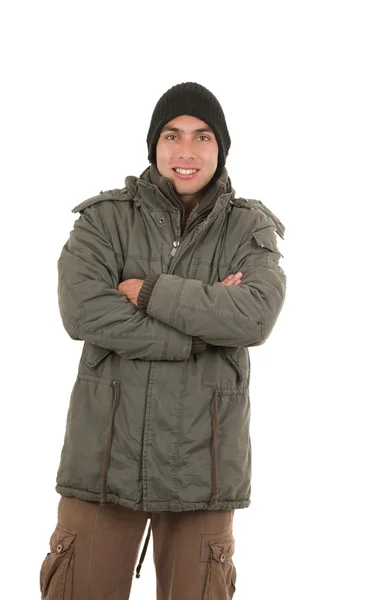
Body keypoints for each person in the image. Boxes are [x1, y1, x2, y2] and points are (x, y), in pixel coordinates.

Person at [39, 81, 287, 600]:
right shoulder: (105, 220)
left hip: (204, 464)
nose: (186, 152)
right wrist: (198, 333)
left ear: (221, 148)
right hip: (102, 459)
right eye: (172, 136)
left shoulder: (248, 228)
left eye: (202, 137)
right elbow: (83, 311)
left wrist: (152, 291)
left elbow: (255, 315)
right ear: (154, 144)